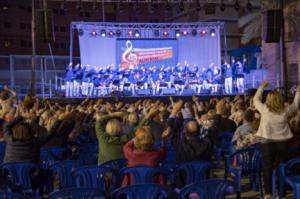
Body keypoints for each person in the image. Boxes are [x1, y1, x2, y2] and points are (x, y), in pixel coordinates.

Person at [253, 80, 300, 199]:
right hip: (282, 143)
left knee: (267, 167)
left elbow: (255, 100)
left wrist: (261, 87)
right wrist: (298, 92)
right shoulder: (285, 111)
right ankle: (280, 193)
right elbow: (295, 105)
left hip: (266, 142)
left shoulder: (264, 109)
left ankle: (268, 194)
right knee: (280, 167)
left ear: (268, 100)